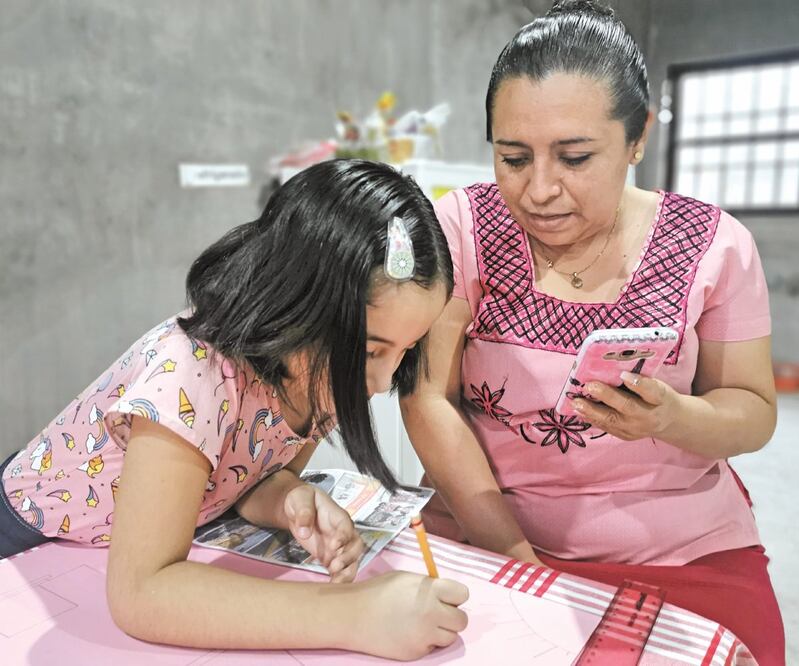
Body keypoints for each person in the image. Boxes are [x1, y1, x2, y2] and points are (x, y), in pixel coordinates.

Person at [400, 2, 784, 662]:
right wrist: (519, 561)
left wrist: (670, 418)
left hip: (678, 547)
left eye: (575, 157)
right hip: (485, 526)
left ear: (637, 138)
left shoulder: (716, 245)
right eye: (511, 156)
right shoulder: (459, 227)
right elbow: (428, 397)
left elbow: (750, 413)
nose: (538, 190)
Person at [0, 159, 469, 661]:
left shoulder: (319, 377)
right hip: (29, 545)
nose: (379, 383)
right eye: (371, 350)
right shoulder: (191, 374)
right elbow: (142, 592)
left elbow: (245, 480)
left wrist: (289, 497)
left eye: (403, 351)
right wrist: (354, 613)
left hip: (119, 557)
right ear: (298, 302)